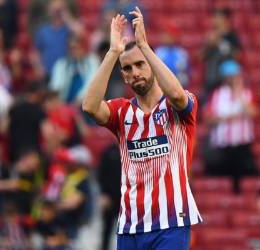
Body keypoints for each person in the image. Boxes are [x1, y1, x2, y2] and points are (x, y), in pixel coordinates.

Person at [82, 7, 202, 250]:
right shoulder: (121, 112)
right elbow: (89, 106)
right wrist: (113, 53)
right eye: (127, 69)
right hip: (130, 226)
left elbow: (178, 95)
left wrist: (145, 46)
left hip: (171, 223)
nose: (134, 72)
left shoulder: (176, 106)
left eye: (140, 64)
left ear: (153, 66)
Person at [204, 60, 258, 193]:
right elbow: (208, 118)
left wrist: (238, 94)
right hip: (223, 145)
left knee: (247, 173)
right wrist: (229, 118)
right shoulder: (216, 94)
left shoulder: (245, 93)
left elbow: (252, 112)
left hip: (242, 144)